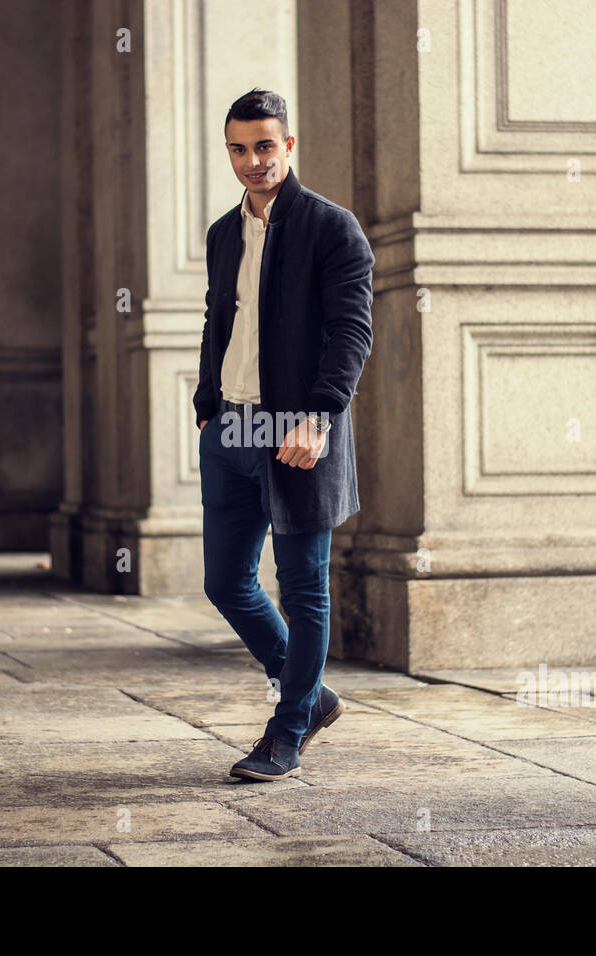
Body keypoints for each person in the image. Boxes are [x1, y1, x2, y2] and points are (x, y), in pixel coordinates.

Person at [194, 90, 373, 781]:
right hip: (231, 427)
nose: (252, 161)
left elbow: (351, 333)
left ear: (288, 146)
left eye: (265, 146)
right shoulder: (221, 234)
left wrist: (320, 416)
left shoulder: (333, 229)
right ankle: (313, 694)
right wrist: (206, 401)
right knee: (226, 582)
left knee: (302, 589)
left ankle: (288, 728)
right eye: (239, 148)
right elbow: (219, 321)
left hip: (299, 429)